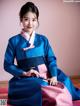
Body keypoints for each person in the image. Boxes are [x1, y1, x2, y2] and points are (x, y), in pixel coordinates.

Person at [4, 2, 80, 106]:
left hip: (47, 73)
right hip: (27, 77)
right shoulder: (13, 41)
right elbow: (7, 65)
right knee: (41, 86)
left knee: (64, 80)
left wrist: (53, 75)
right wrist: (24, 73)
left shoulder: (43, 40)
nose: (30, 23)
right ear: (21, 20)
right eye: (26, 19)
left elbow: (51, 59)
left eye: (34, 20)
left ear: (37, 21)